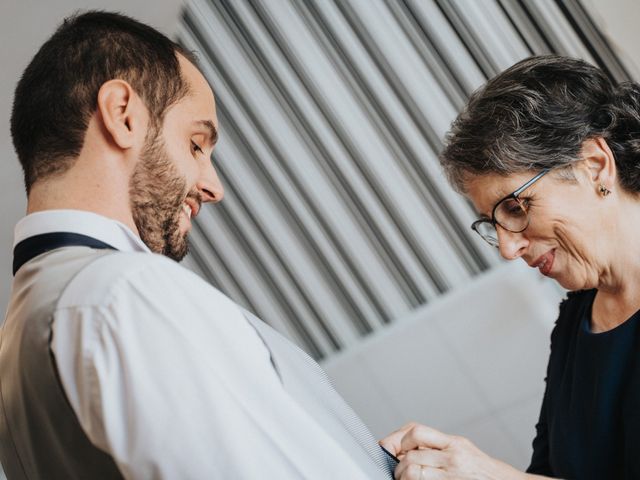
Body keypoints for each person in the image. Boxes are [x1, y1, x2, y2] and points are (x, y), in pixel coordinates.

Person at [0, 11, 395, 479]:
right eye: (196, 144)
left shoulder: (18, 348)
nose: (214, 187)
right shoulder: (126, 294)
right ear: (122, 115)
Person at [380, 54, 640, 479]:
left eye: (516, 208)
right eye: (493, 224)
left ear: (594, 165)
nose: (507, 248)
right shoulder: (577, 319)